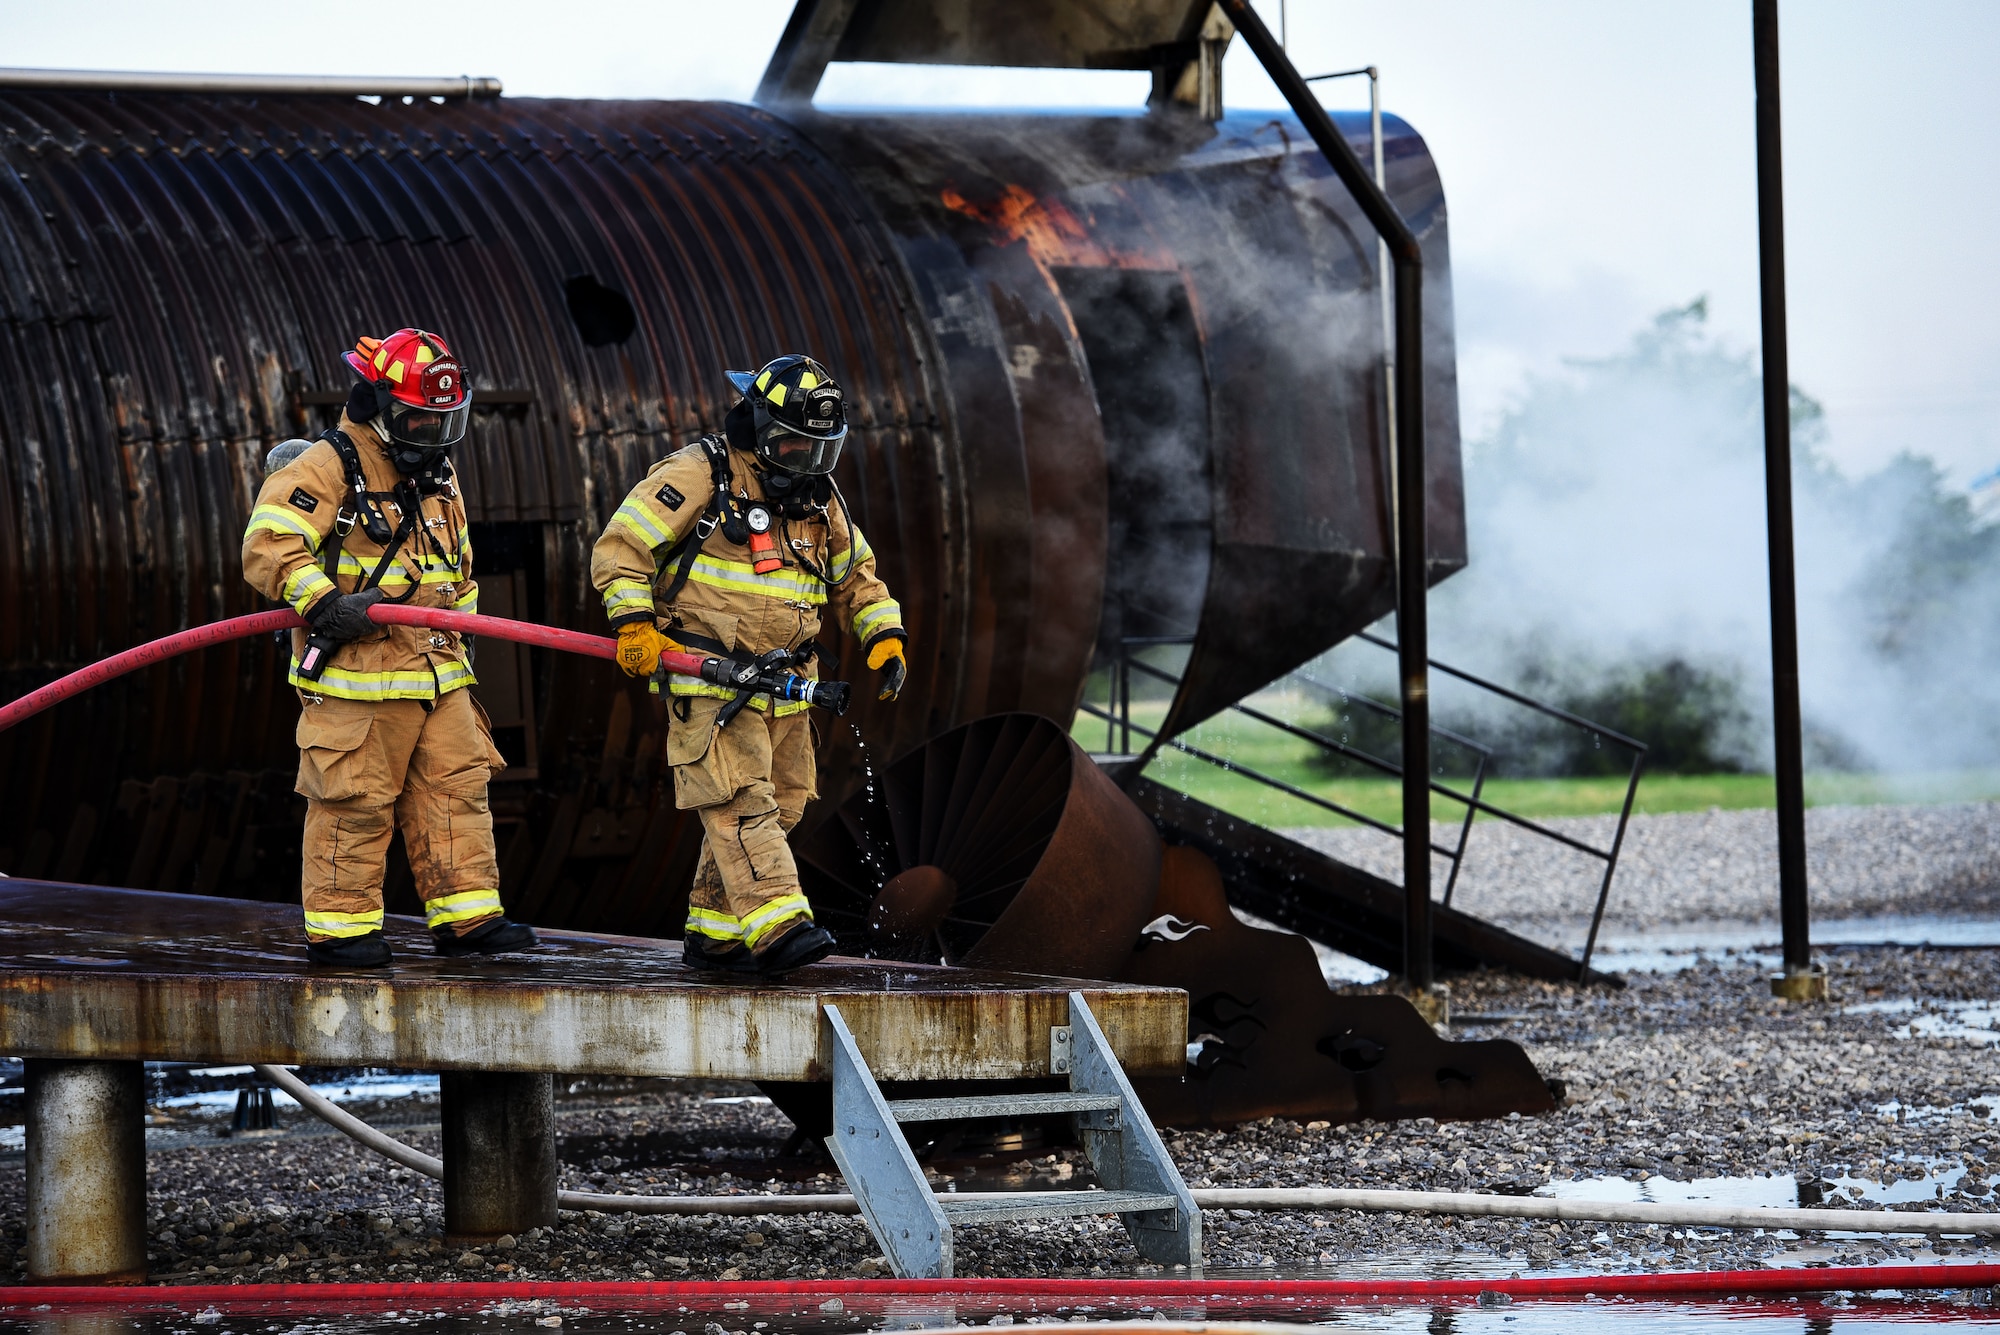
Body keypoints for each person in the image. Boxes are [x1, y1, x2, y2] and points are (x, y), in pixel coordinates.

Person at [591, 354, 907, 975]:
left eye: (821, 452)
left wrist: (883, 635)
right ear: (759, 429)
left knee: (784, 802)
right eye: (794, 448)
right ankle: (778, 926)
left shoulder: (820, 498)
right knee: (739, 802)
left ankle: (715, 933)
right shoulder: (700, 473)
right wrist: (633, 624)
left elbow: (856, 577)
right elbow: (621, 548)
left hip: (790, 686)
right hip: (709, 679)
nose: (808, 465)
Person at [243, 328, 537, 967]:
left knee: (457, 792)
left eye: (442, 422)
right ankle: (342, 932)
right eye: (415, 420)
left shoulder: (437, 470)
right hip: (360, 680)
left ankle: (468, 920)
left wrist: (460, 639)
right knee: (354, 803)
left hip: (438, 674)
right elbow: (269, 546)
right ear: (375, 403)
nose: (430, 435)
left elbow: (456, 569)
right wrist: (324, 605)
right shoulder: (326, 466)